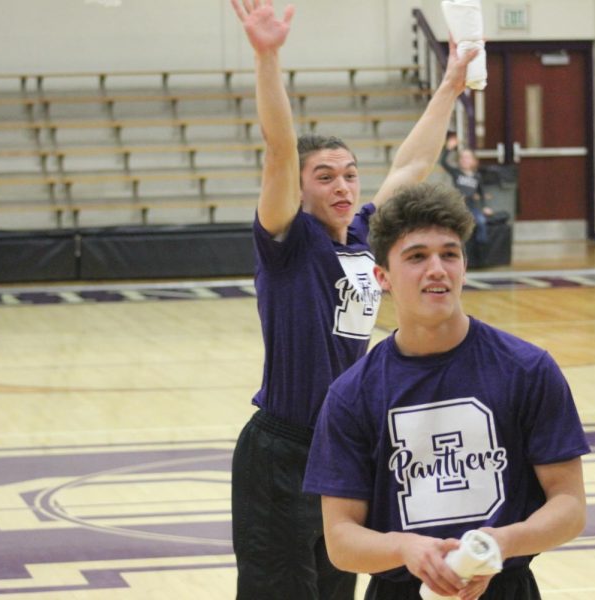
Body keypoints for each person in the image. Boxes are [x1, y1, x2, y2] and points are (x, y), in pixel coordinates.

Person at [227, 1, 477, 598]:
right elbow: (280, 150)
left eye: (349, 174)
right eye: (325, 176)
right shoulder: (289, 240)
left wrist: (450, 83)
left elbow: (414, 161)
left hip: (340, 448)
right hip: (280, 450)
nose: (341, 186)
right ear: (302, 189)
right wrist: (268, 58)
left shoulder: (366, 236)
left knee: (340, 589)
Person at [303, 182, 590, 600]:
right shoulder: (352, 394)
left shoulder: (527, 369)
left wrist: (501, 544)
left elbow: (570, 506)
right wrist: (406, 549)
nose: (437, 268)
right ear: (381, 276)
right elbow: (341, 540)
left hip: (505, 589)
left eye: (449, 254)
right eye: (417, 256)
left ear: (464, 265)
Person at [439, 133, 493, 247]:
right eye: (462, 157)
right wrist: (448, 148)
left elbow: (481, 192)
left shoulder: (477, 176)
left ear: (474, 161)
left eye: (468, 157)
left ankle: (481, 247)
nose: (465, 160)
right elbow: (443, 162)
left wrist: (485, 207)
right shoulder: (456, 173)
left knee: (481, 222)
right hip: (459, 204)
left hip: (471, 206)